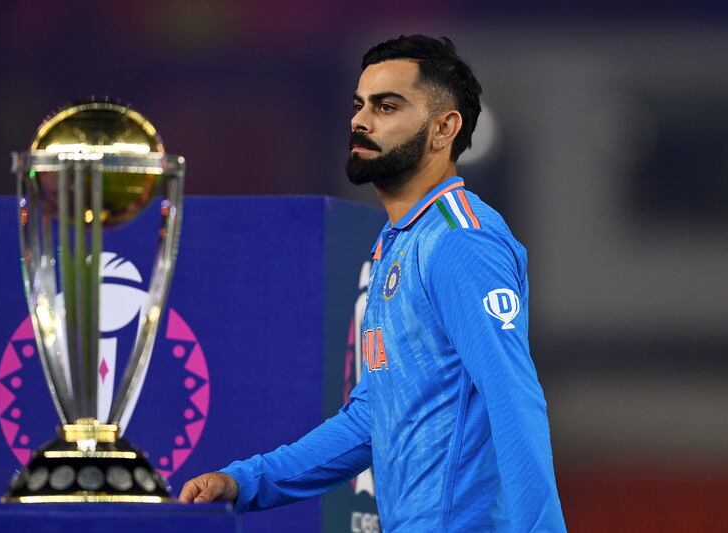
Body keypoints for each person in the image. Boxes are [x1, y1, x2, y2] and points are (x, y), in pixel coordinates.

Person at [180, 34, 566, 532]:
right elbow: (372, 415)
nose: (360, 120)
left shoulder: (460, 242)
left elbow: (512, 394)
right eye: (359, 105)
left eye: (386, 106)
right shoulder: (396, 243)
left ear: (444, 128)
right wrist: (245, 482)